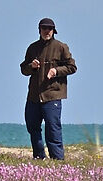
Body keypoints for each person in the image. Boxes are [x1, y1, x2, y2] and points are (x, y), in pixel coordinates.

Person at [20, 17, 78, 161]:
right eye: (44, 28)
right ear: (39, 30)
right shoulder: (32, 48)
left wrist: (56, 71)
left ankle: (57, 159)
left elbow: (72, 67)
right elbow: (23, 69)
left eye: (50, 29)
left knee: (52, 128)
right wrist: (31, 66)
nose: (47, 31)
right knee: (32, 126)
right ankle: (39, 157)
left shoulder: (61, 47)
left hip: (53, 95)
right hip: (34, 96)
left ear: (54, 31)